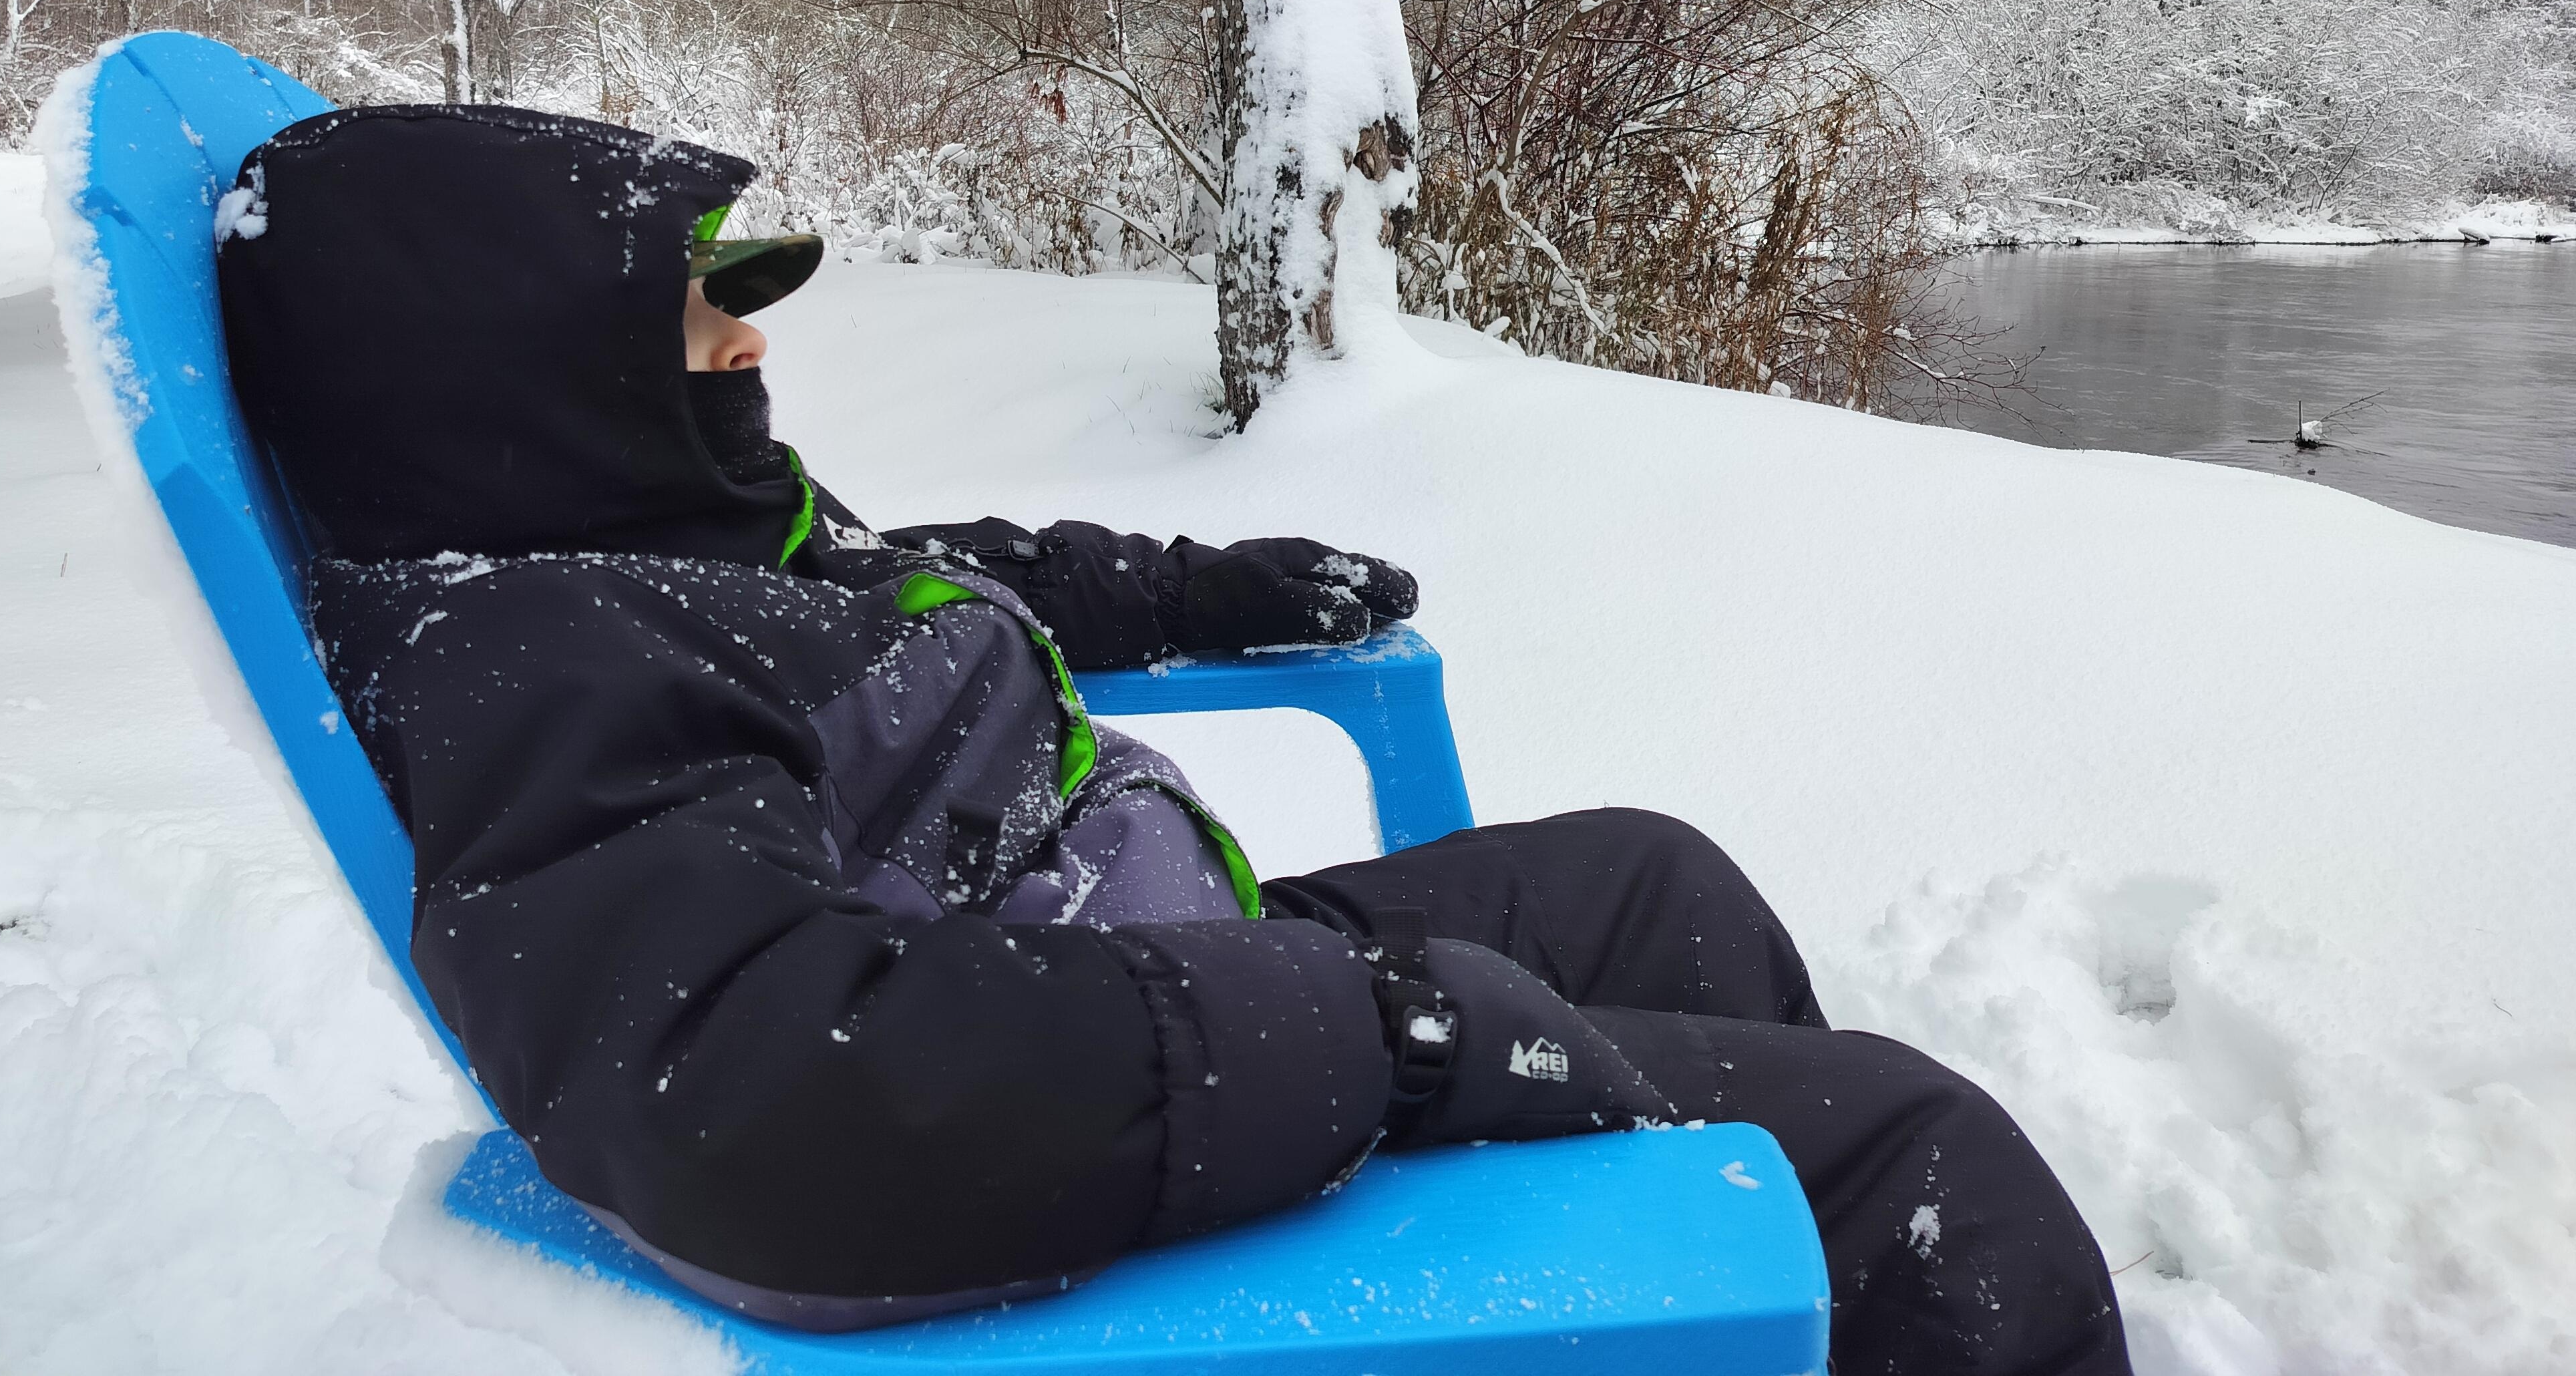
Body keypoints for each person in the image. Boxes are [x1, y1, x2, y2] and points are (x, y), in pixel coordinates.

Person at [218, 102, 2130, 1371]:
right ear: (502, 372)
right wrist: (1379, 1038)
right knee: (1900, 1158)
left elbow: (921, 588)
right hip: (1117, 1089)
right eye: (697, 325)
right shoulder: (545, 658)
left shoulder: (662, 533)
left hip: (1157, 985)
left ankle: (1674, 1319)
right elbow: (764, 1105)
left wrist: (1202, 591)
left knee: (1649, 879)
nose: (751, 356)